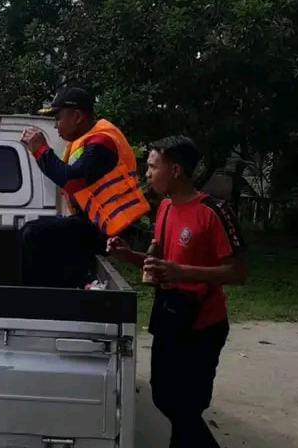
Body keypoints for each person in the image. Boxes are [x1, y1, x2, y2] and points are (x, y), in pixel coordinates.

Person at [108, 136, 248, 448]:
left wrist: (183, 273)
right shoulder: (166, 208)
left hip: (203, 325)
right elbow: (161, 264)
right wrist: (129, 255)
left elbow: (238, 272)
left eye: (152, 166)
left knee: (185, 407)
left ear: (175, 170)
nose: (147, 173)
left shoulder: (213, 211)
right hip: (170, 317)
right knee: (164, 397)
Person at [19, 87, 149, 287]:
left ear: (77, 116)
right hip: (96, 224)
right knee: (35, 230)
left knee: (34, 234)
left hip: (110, 231)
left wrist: (41, 150)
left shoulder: (102, 142)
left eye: (58, 118)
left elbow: (71, 181)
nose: (56, 126)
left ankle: (48, 297)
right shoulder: (85, 142)